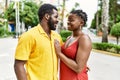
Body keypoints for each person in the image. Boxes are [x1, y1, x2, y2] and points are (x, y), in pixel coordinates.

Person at [14, 4, 63, 80]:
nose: (57, 20)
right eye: (55, 17)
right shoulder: (29, 36)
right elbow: (18, 65)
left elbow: (65, 54)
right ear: (47, 16)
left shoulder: (57, 37)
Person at [54, 9, 92, 80]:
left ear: (81, 23)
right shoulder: (69, 38)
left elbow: (78, 68)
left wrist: (59, 53)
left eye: (71, 20)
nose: (68, 22)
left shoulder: (84, 39)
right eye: (68, 20)